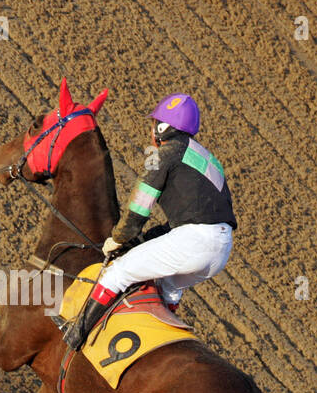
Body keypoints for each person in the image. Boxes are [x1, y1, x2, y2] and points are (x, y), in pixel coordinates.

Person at [64, 93, 237, 351]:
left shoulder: (166, 154)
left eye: (154, 123)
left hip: (194, 241)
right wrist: (143, 240)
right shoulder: (207, 159)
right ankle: (162, 343)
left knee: (118, 272)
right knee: (168, 286)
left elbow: (139, 206)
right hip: (221, 250)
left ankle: (73, 339)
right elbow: (189, 217)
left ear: (162, 128)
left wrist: (120, 238)